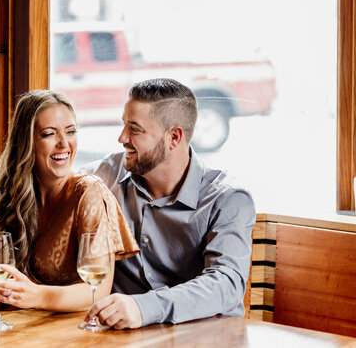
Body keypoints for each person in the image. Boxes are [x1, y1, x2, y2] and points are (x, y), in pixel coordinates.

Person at [0, 89, 138, 317]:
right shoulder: (16, 198)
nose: (64, 144)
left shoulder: (89, 194)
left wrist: (36, 295)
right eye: (49, 134)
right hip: (14, 324)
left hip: (65, 331)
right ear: (26, 141)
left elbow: (98, 292)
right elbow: (4, 299)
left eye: (71, 131)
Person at [82, 78, 255, 329]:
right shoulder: (107, 176)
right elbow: (53, 182)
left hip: (205, 338)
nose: (122, 137)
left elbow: (226, 283)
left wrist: (144, 307)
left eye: (135, 129)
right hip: (124, 339)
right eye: (124, 125)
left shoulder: (227, 199)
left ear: (174, 137)